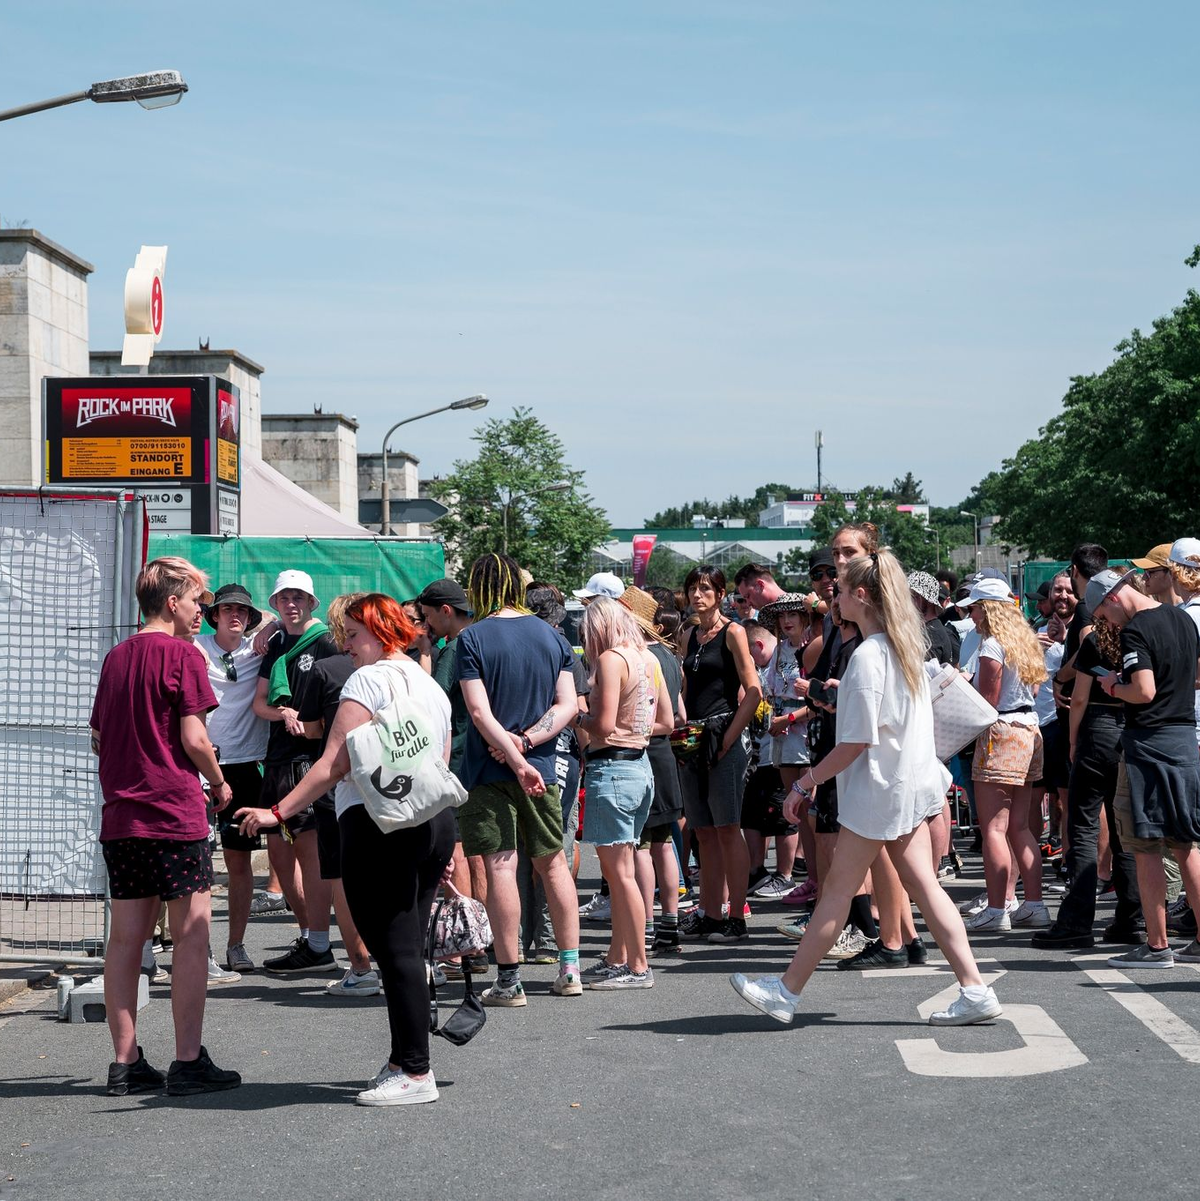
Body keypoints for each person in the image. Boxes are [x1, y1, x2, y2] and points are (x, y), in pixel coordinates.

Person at [730, 550, 1002, 1026]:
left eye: (839, 588)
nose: (832, 596)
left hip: (879, 791)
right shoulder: (902, 647)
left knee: (839, 891)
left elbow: (856, 741)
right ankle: (974, 988)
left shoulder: (870, 655)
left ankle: (786, 992)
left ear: (860, 595)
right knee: (920, 888)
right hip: (908, 784)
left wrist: (805, 784)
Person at [236, 594, 454, 1105]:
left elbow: (334, 762)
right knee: (404, 947)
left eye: (353, 635)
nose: (345, 645)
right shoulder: (427, 684)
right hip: (431, 820)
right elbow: (441, 761)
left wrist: (276, 812)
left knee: (395, 950)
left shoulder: (367, 681)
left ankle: (416, 1071)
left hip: (382, 824)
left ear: (381, 631)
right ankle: (403, 1059)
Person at [91, 557, 240, 1096]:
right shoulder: (183, 655)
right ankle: (188, 1060)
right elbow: (195, 739)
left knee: (125, 940)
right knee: (191, 937)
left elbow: (99, 737)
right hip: (174, 812)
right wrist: (219, 782)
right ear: (172, 602)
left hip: (122, 815)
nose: (202, 611)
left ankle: (125, 1062)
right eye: (197, 601)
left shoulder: (116, 657)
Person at [456, 553, 584, 1005]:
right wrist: (527, 746)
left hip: (488, 770)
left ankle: (509, 979)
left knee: (500, 866)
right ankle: (570, 969)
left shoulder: (472, 637)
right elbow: (568, 706)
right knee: (553, 863)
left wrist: (511, 754)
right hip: (542, 767)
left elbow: (478, 712)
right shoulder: (551, 636)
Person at [1033, 544, 1143, 950]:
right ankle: (1131, 916)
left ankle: (1077, 920)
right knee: (1123, 829)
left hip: (1097, 728)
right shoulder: (1139, 636)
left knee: (1081, 827)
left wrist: (1073, 739)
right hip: (1129, 730)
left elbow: (1078, 698)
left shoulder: (1096, 639)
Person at [1091, 569, 1200, 968]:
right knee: (1187, 844)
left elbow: (1144, 691)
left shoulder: (1136, 630)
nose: (1108, 623)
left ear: (1113, 598)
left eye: (1104, 615)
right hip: (1184, 739)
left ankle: (1157, 946)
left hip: (1148, 745)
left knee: (1145, 845)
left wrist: (1114, 686)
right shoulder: (1182, 619)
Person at [575, 598, 673, 989]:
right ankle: (618, 957)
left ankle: (637, 965)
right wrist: (635, 730)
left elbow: (601, 725)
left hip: (613, 769)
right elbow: (668, 720)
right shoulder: (649, 658)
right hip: (640, 766)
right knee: (624, 872)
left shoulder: (612, 659)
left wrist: (576, 714)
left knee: (620, 876)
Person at [252, 570, 342, 974]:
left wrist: (310, 725)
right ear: (275, 604)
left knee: (312, 856)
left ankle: (320, 944)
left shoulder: (326, 641)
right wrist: (283, 713)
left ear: (311, 603)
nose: (291, 604)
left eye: (299, 597)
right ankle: (309, 938)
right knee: (278, 858)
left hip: (310, 761)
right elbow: (260, 703)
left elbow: (337, 705)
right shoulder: (274, 642)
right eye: (284, 598)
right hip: (276, 760)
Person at [291, 592, 381, 997]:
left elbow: (311, 729)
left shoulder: (326, 669)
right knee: (391, 873)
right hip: (392, 784)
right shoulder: (401, 670)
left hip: (340, 788)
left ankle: (360, 966)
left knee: (342, 877)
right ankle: (407, 961)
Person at [676, 565, 762, 944]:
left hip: (722, 731)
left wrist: (729, 737)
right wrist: (680, 728)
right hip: (693, 736)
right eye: (693, 588)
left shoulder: (734, 632)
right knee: (703, 831)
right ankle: (710, 914)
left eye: (706, 588)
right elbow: (684, 687)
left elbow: (754, 691)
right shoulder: (688, 634)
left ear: (721, 593)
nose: (698, 595)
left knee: (728, 828)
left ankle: (736, 915)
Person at [960, 577, 1050, 932]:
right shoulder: (1025, 642)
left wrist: (961, 684)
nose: (971, 615)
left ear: (987, 609)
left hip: (1002, 732)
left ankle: (997, 909)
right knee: (1020, 826)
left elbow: (987, 700)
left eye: (974, 608)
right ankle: (1034, 904)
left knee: (994, 829)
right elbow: (1035, 689)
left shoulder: (992, 645)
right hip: (1029, 729)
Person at [193, 583, 269, 975]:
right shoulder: (197, 646)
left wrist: (268, 629)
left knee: (239, 865)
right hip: (200, 765)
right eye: (227, 610)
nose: (235, 615)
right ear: (214, 616)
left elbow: (281, 618)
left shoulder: (259, 648)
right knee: (196, 865)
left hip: (244, 769)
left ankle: (235, 945)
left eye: (242, 610)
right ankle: (197, 948)